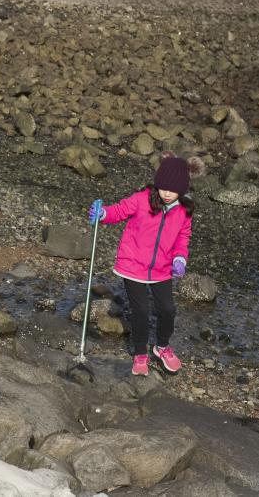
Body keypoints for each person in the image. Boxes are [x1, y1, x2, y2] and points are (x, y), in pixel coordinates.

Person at [88, 154, 204, 377]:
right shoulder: (143, 199)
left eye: (173, 189)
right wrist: (103, 213)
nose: (167, 193)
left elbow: (183, 238)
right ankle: (140, 353)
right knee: (140, 311)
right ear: (158, 184)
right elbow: (120, 211)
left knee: (167, 309)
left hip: (162, 269)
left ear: (182, 188)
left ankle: (161, 347)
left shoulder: (183, 210)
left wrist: (180, 258)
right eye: (164, 188)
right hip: (132, 265)